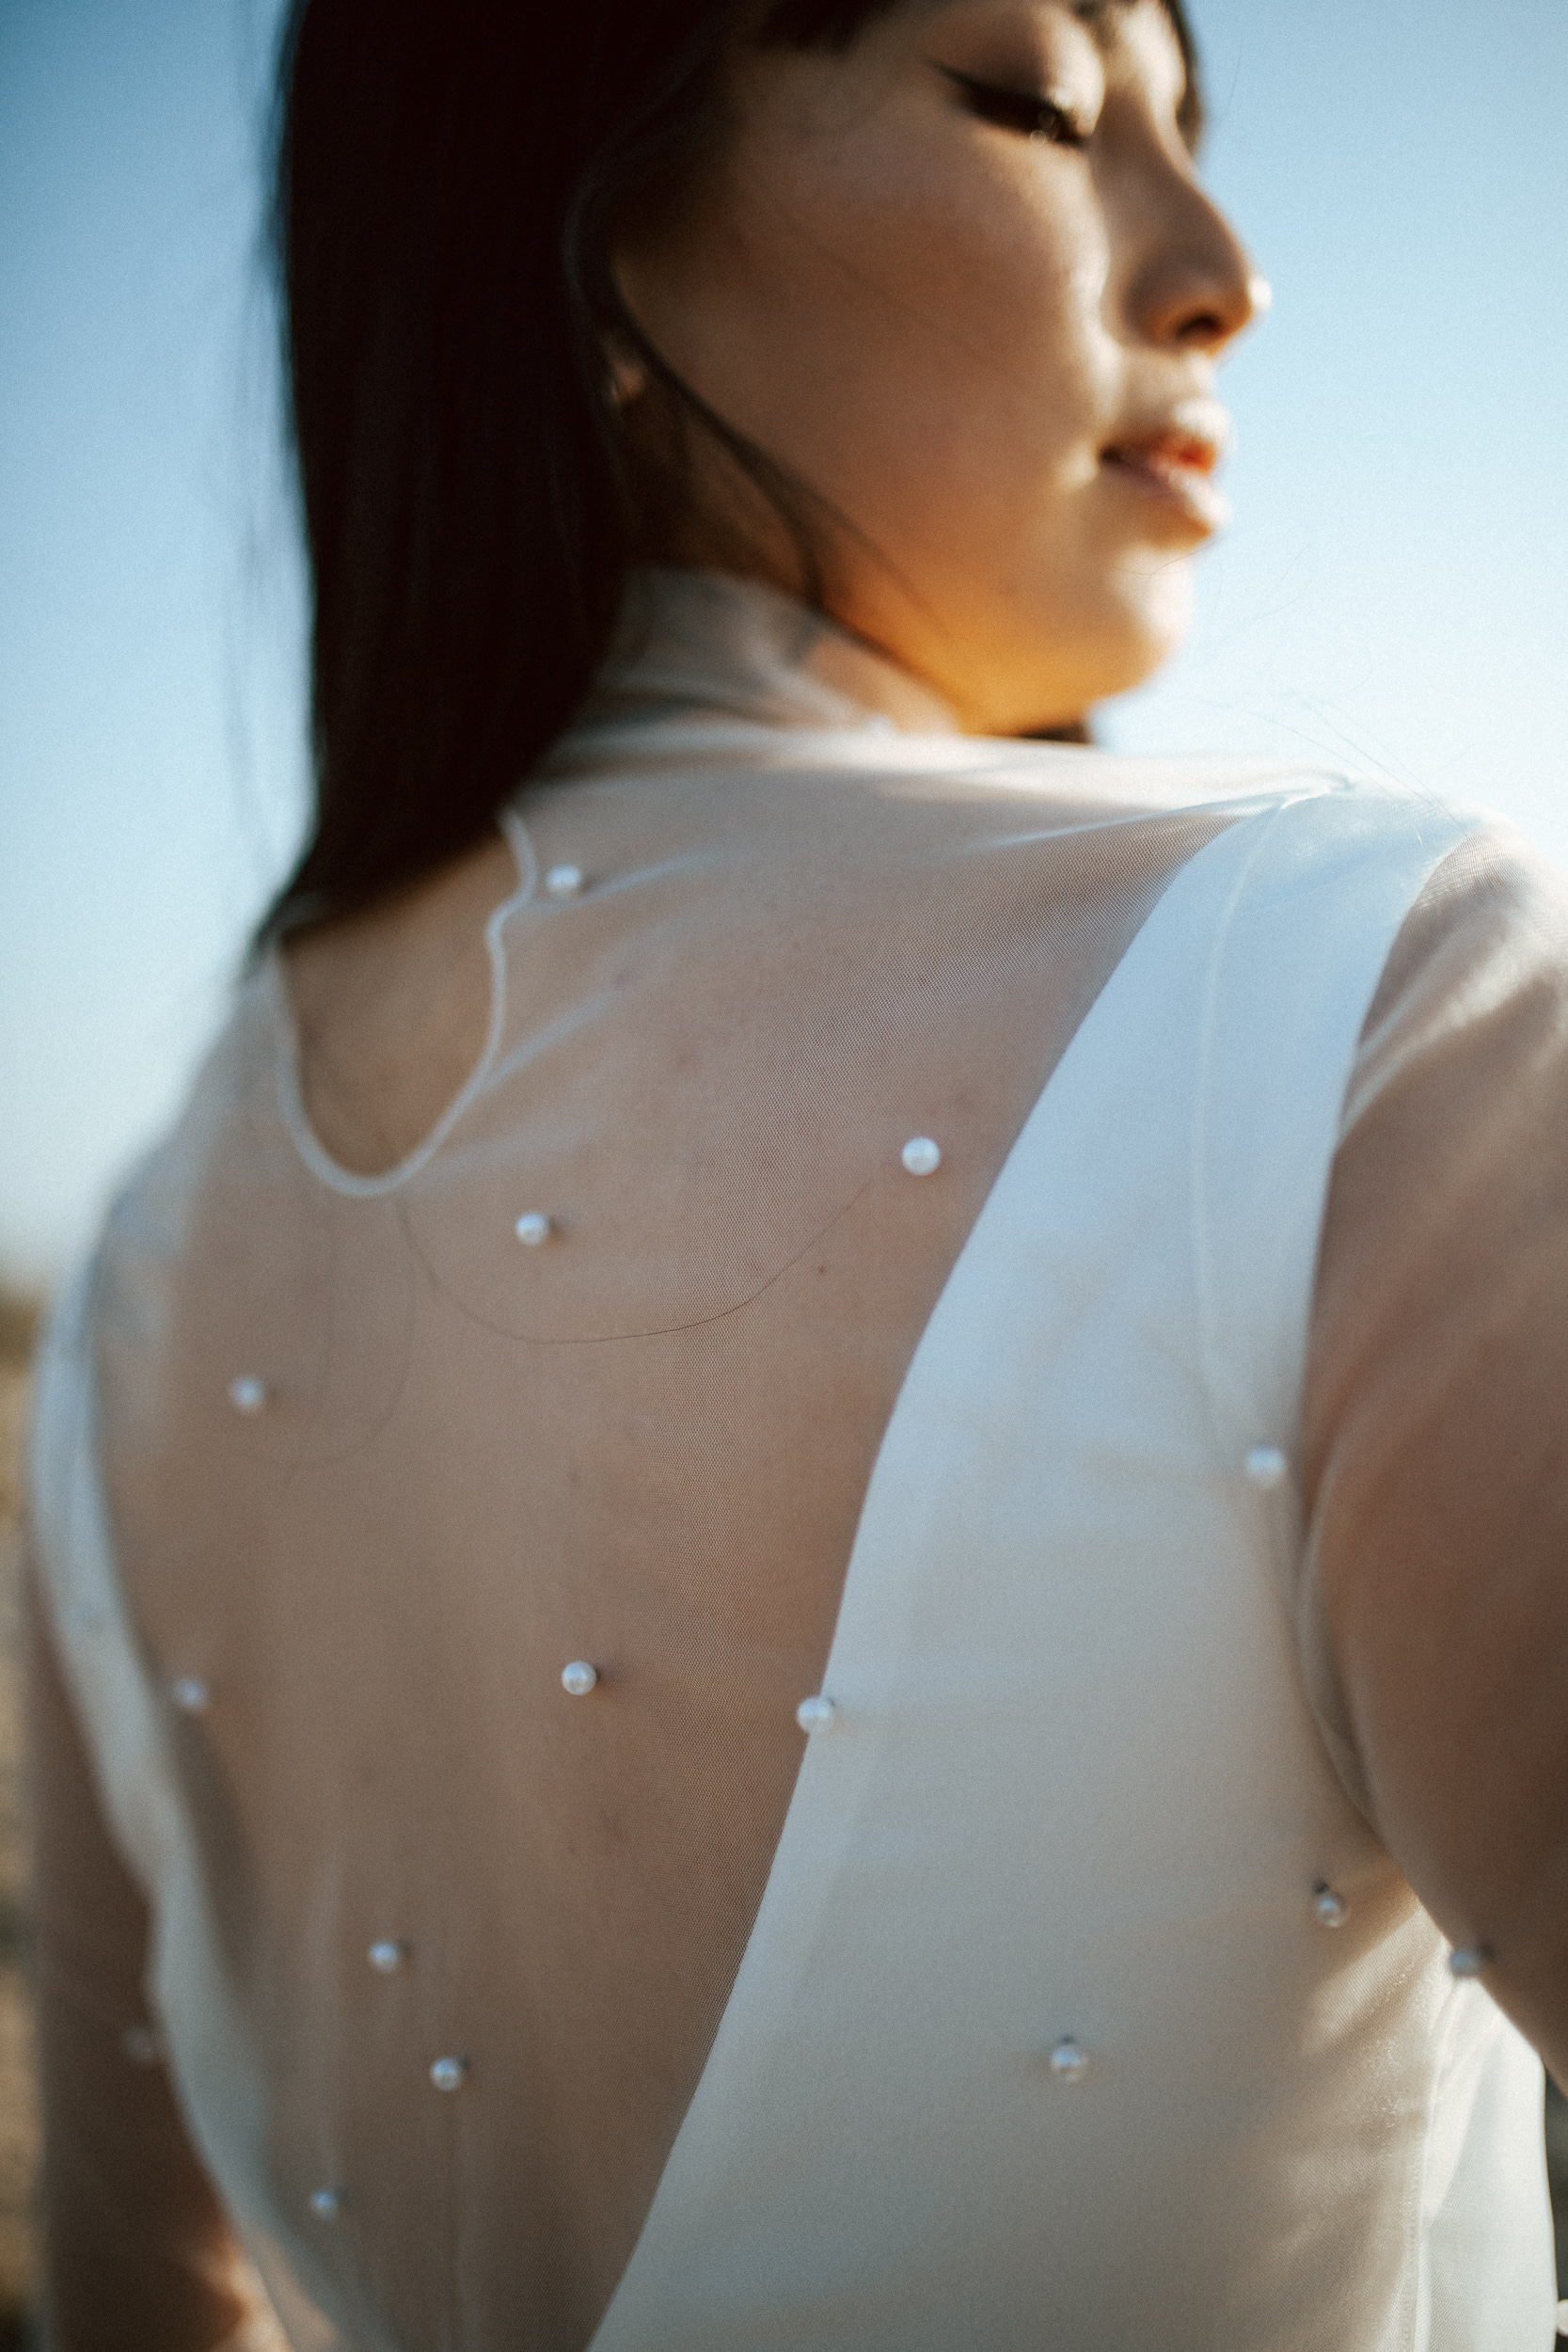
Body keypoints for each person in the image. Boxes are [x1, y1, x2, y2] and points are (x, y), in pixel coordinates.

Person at [24, 0, 1568, 2344]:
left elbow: (144, 2294)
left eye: (1195, 129)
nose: (1223, 265)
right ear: (601, 222)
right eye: (1036, 100)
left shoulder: (144, 1277)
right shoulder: (1365, 1009)